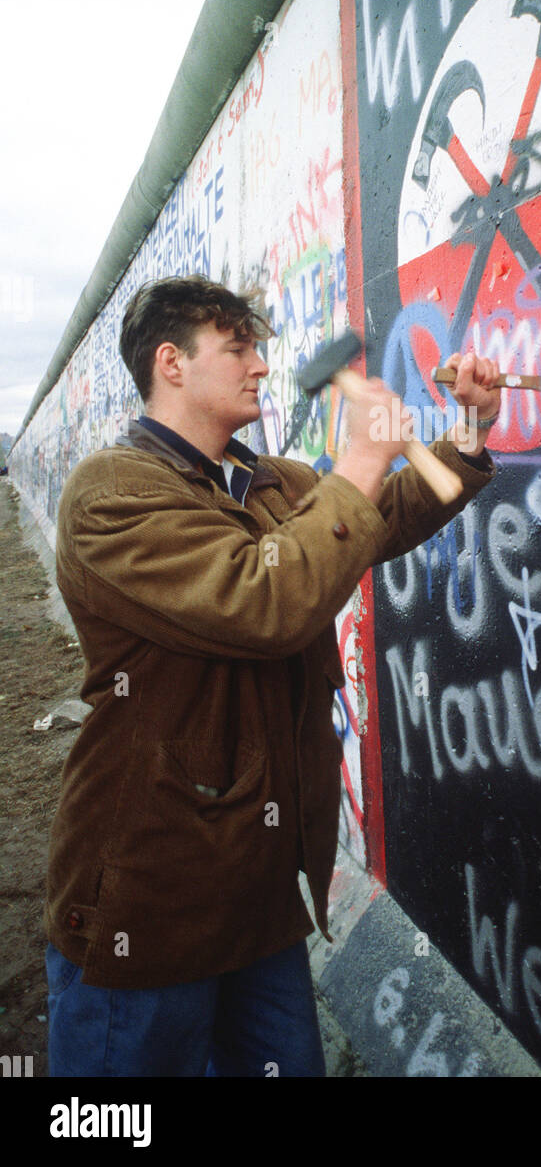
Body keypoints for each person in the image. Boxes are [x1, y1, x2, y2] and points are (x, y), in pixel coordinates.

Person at [44, 273, 500, 1077]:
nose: (260, 365)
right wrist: (359, 457)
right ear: (171, 364)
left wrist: (463, 435)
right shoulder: (111, 495)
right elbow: (264, 601)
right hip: (148, 902)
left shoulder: (263, 478)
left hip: (258, 897)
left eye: (259, 348)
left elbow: (376, 518)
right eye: (238, 348)